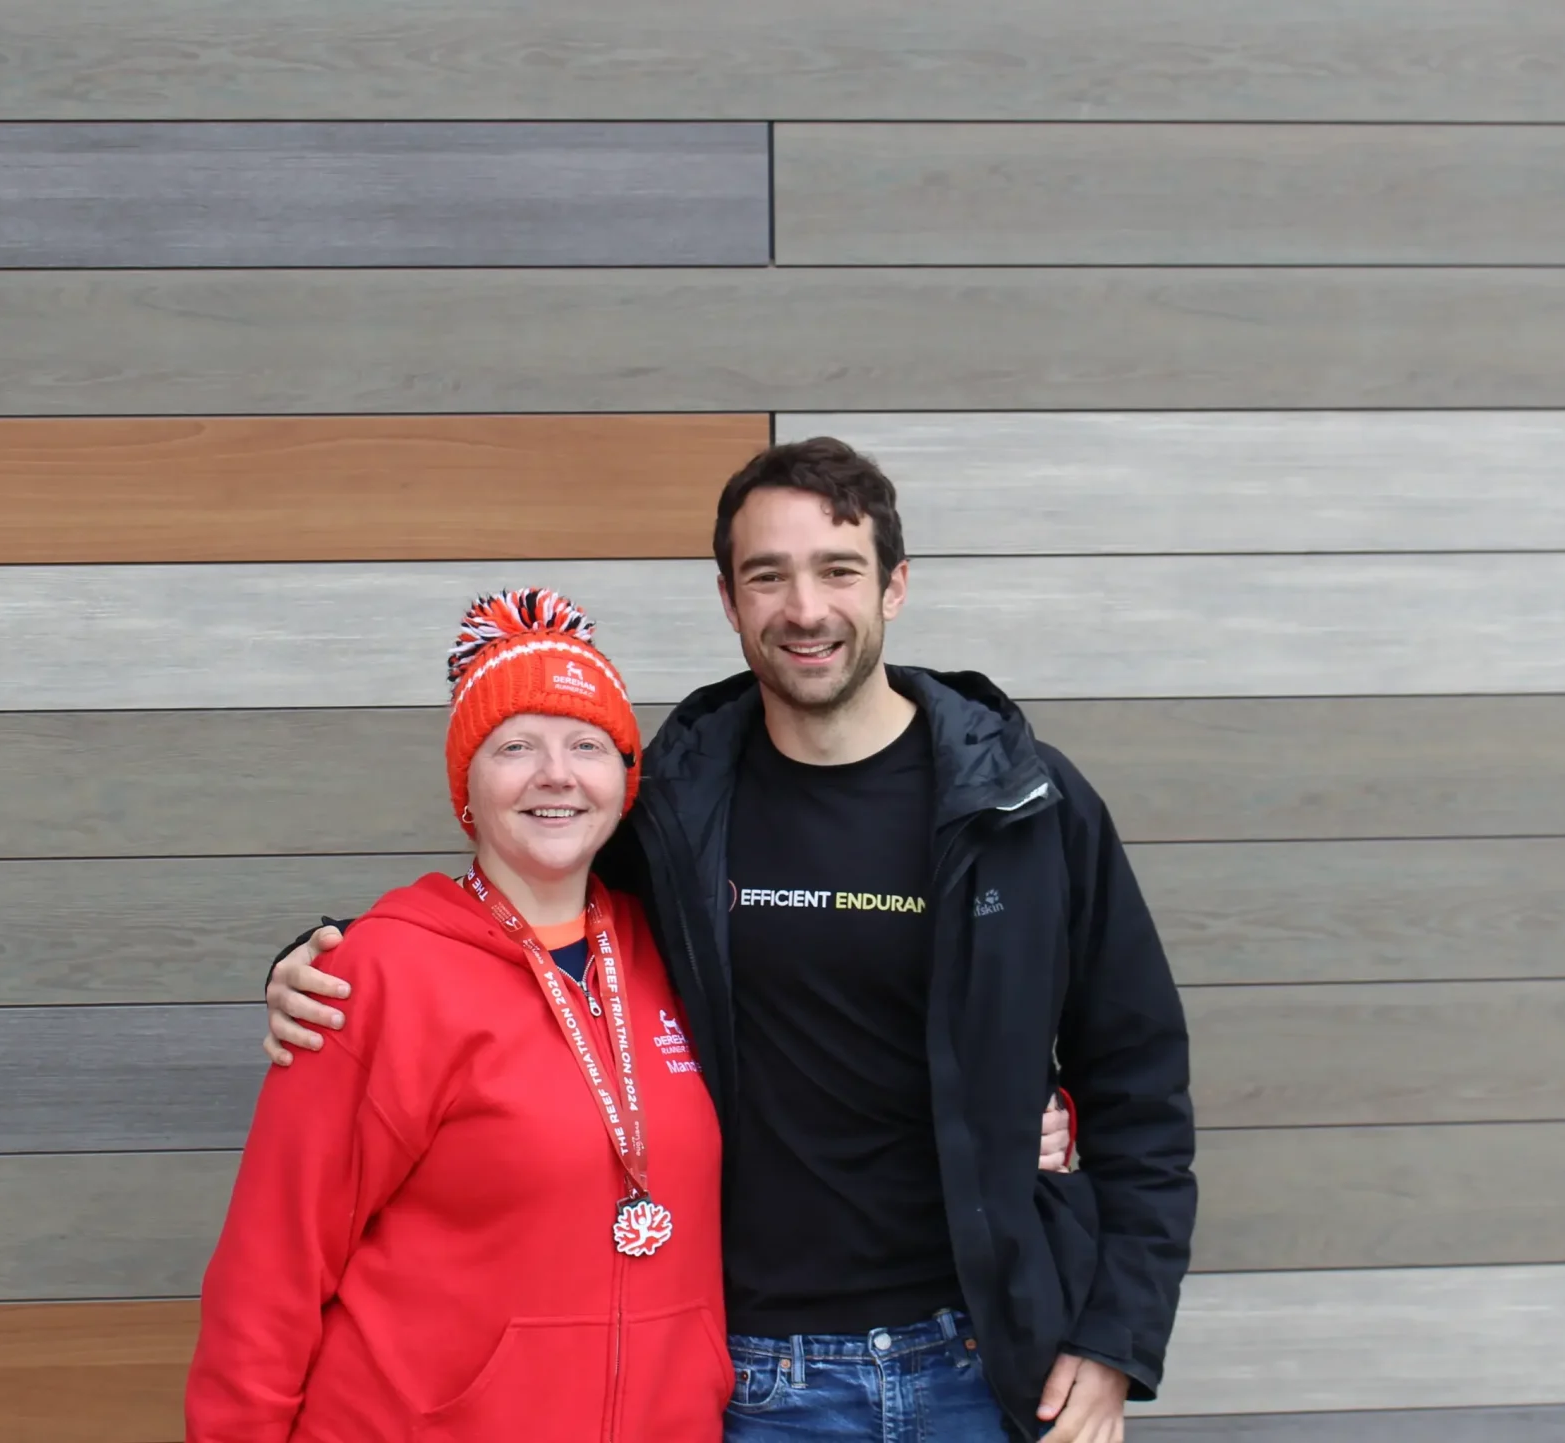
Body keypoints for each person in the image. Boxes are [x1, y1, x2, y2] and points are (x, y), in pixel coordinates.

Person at [265, 439, 1197, 1442]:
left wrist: (1112, 1342)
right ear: (728, 599)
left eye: (837, 570)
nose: (804, 608)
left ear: (894, 587)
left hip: (986, 1367)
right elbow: (520, 916)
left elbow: (1138, 1086)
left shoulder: (1027, 806)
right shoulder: (672, 814)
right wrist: (333, 958)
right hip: (758, 1382)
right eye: (768, 576)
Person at [186, 590, 733, 1441]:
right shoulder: (378, 973)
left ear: (624, 783)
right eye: (516, 745)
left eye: (587, 744)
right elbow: (272, 1268)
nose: (556, 773)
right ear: (467, 787)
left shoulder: (681, 953)